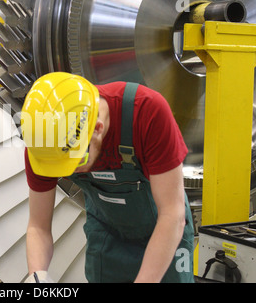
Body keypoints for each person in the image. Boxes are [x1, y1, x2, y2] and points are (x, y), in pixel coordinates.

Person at [21, 72, 194, 283]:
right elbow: (38, 226)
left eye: (76, 161)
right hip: (107, 232)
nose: (75, 171)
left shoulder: (147, 112)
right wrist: (37, 278)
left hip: (166, 228)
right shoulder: (45, 147)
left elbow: (172, 214)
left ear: (97, 129)